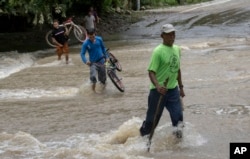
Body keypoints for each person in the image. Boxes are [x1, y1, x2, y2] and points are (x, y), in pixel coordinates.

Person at [139, 24, 185, 138]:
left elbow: (177, 69)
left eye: (173, 34)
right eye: (169, 35)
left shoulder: (177, 49)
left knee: (178, 117)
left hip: (173, 90)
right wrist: (158, 86)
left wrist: (181, 87)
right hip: (158, 91)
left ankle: (178, 142)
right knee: (152, 121)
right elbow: (151, 72)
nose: (172, 37)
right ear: (162, 36)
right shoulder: (158, 52)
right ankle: (143, 137)